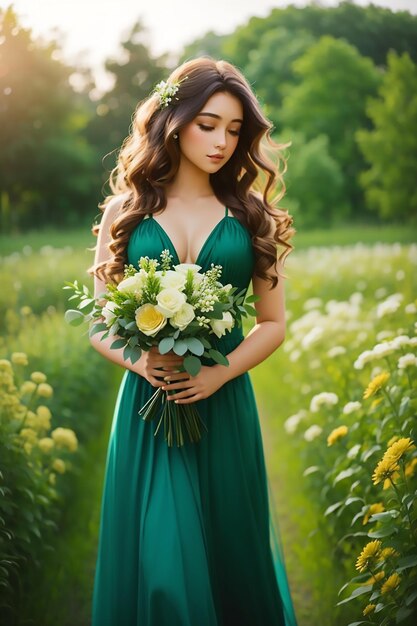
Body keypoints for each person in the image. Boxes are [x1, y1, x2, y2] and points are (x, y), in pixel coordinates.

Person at [88, 56, 298, 626]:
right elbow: (99, 322)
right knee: (161, 572)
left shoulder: (250, 214)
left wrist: (219, 373)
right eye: (208, 124)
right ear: (174, 121)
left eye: (234, 130)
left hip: (223, 405)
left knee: (233, 555)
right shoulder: (124, 213)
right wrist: (142, 361)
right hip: (148, 409)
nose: (222, 142)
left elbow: (273, 323)